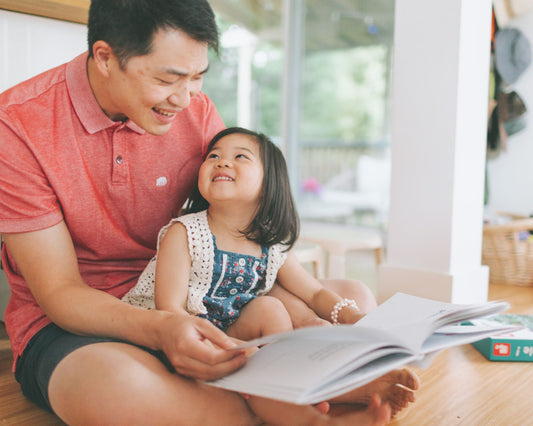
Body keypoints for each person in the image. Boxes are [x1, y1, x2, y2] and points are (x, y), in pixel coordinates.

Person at [0, 0, 417, 424]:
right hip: (85, 325)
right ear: (106, 57)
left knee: (354, 295)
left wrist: (314, 307)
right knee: (118, 389)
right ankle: (307, 394)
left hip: (201, 298)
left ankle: (276, 397)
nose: (185, 98)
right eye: (168, 79)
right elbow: (60, 293)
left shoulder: (192, 111)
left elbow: (239, 211)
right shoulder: (18, 126)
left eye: (198, 77)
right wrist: (164, 328)